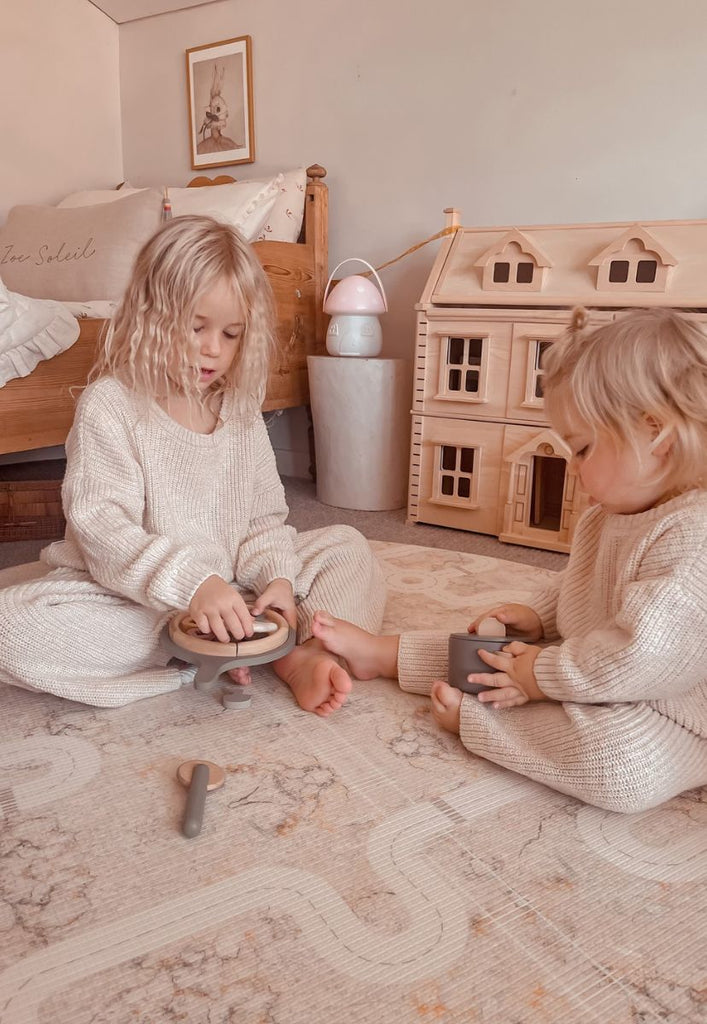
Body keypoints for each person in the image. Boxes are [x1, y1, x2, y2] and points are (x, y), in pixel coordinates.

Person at [312, 307, 707, 811]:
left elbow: (641, 658)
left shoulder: (693, 536)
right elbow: (578, 582)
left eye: (582, 449)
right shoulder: (610, 511)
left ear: (656, 436)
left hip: (670, 708)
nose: (571, 465)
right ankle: (384, 655)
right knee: (494, 650)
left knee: (621, 764)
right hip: (597, 666)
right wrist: (539, 616)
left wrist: (540, 676)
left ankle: (484, 721)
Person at [0, 215, 385, 714]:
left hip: (237, 588)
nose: (212, 349)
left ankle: (293, 651)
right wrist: (192, 588)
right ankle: (194, 650)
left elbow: (265, 521)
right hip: (138, 597)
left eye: (230, 334)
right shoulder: (110, 405)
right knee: (11, 628)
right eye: (196, 327)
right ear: (149, 316)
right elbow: (102, 530)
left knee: (348, 548)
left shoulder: (240, 411)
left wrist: (278, 580)